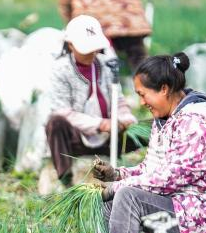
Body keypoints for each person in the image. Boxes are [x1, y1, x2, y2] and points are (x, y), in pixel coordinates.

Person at [90, 52, 206, 233]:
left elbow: (169, 178)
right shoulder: (166, 119)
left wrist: (118, 186)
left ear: (164, 89)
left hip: (201, 212)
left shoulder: (195, 123)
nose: (142, 102)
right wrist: (118, 174)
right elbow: (152, 169)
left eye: (143, 95)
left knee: (126, 196)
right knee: (110, 198)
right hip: (178, 203)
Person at [43, 15, 139, 192]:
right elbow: (65, 112)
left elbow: (118, 98)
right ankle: (66, 180)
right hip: (76, 138)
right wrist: (100, 124)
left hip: (110, 136)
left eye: (94, 49)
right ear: (70, 45)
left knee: (149, 129)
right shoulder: (60, 69)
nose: (91, 53)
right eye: (85, 49)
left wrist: (125, 118)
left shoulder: (106, 65)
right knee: (55, 122)